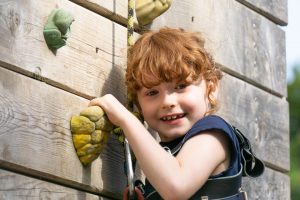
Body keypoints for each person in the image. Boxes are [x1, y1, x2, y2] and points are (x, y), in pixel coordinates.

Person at [89, 27, 245, 199]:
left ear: (211, 87)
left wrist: (125, 119)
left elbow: (176, 186)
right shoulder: (165, 158)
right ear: (139, 104)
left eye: (180, 86)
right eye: (152, 93)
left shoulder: (213, 134)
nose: (167, 102)